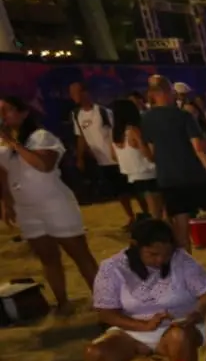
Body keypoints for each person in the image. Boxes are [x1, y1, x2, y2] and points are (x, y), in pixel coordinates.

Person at [85, 218, 206, 361]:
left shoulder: (181, 260)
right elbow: (105, 313)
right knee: (95, 353)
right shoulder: (112, 268)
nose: (160, 260)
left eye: (166, 254)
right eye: (152, 254)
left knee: (179, 337)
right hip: (133, 329)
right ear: (135, 246)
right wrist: (143, 326)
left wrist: (197, 313)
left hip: (178, 325)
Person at [0, 97, 98, 314]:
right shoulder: (3, 146)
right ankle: (63, 302)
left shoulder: (41, 137)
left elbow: (44, 165)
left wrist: (14, 143)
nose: (3, 115)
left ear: (23, 113)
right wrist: (6, 203)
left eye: (6, 110)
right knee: (47, 257)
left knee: (79, 254)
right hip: (27, 209)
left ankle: (104, 299)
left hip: (54, 204)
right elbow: (4, 174)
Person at [141, 76, 206, 251]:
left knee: (181, 226)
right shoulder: (183, 115)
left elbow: (150, 154)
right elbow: (198, 147)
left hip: (169, 178)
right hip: (194, 175)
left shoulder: (146, 119)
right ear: (168, 92)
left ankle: (186, 270)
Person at [69, 82, 140, 229]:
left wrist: (117, 151)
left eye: (76, 92)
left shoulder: (102, 111)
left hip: (117, 157)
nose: (73, 96)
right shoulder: (76, 115)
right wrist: (80, 157)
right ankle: (131, 216)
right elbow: (81, 136)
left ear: (85, 93)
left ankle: (146, 214)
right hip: (101, 160)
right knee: (118, 191)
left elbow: (116, 129)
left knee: (133, 187)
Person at [108, 99, 163, 225]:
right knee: (157, 211)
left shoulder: (116, 133)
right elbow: (147, 154)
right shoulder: (133, 130)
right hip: (148, 173)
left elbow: (113, 156)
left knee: (153, 210)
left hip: (133, 175)